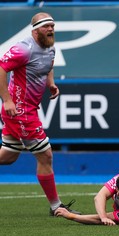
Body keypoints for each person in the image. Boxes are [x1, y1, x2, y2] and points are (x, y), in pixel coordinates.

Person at [0, 12, 79, 215]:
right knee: (45, 155)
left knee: (8, 156)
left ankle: (55, 206)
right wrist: (7, 100)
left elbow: (48, 64)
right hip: (20, 111)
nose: (51, 29)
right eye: (46, 27)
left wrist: (50, 84)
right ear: (35, 30)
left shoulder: (49, 45)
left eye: (52, 26)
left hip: (28, 108)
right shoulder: (23, 49)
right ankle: (56, 206)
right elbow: (1, 68)